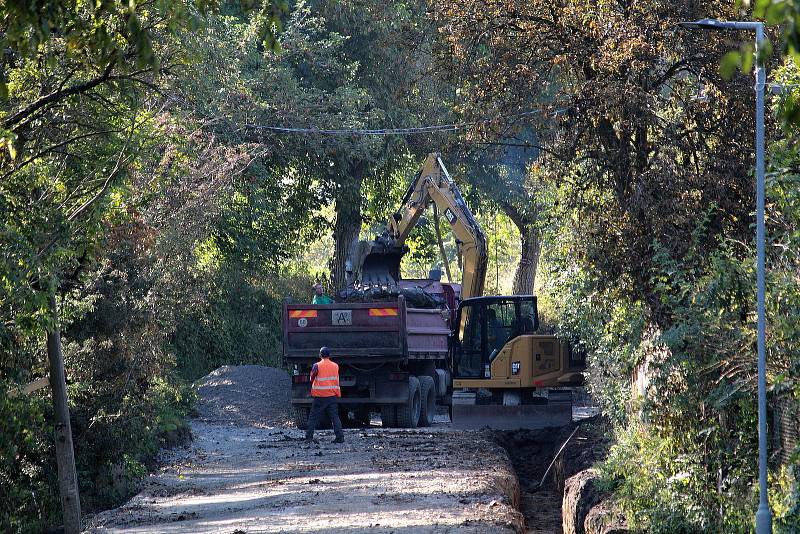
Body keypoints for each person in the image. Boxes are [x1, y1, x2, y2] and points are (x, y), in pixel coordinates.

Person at [305, 346, 345, 443]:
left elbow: (312, 378)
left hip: (319, 396)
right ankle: (340, 437)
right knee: (335, 417)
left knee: (313, 417)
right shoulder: (335, 366)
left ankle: (309, 437)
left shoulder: (316, 365)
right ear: (329, 355)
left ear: (320, 355)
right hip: (332, 395)